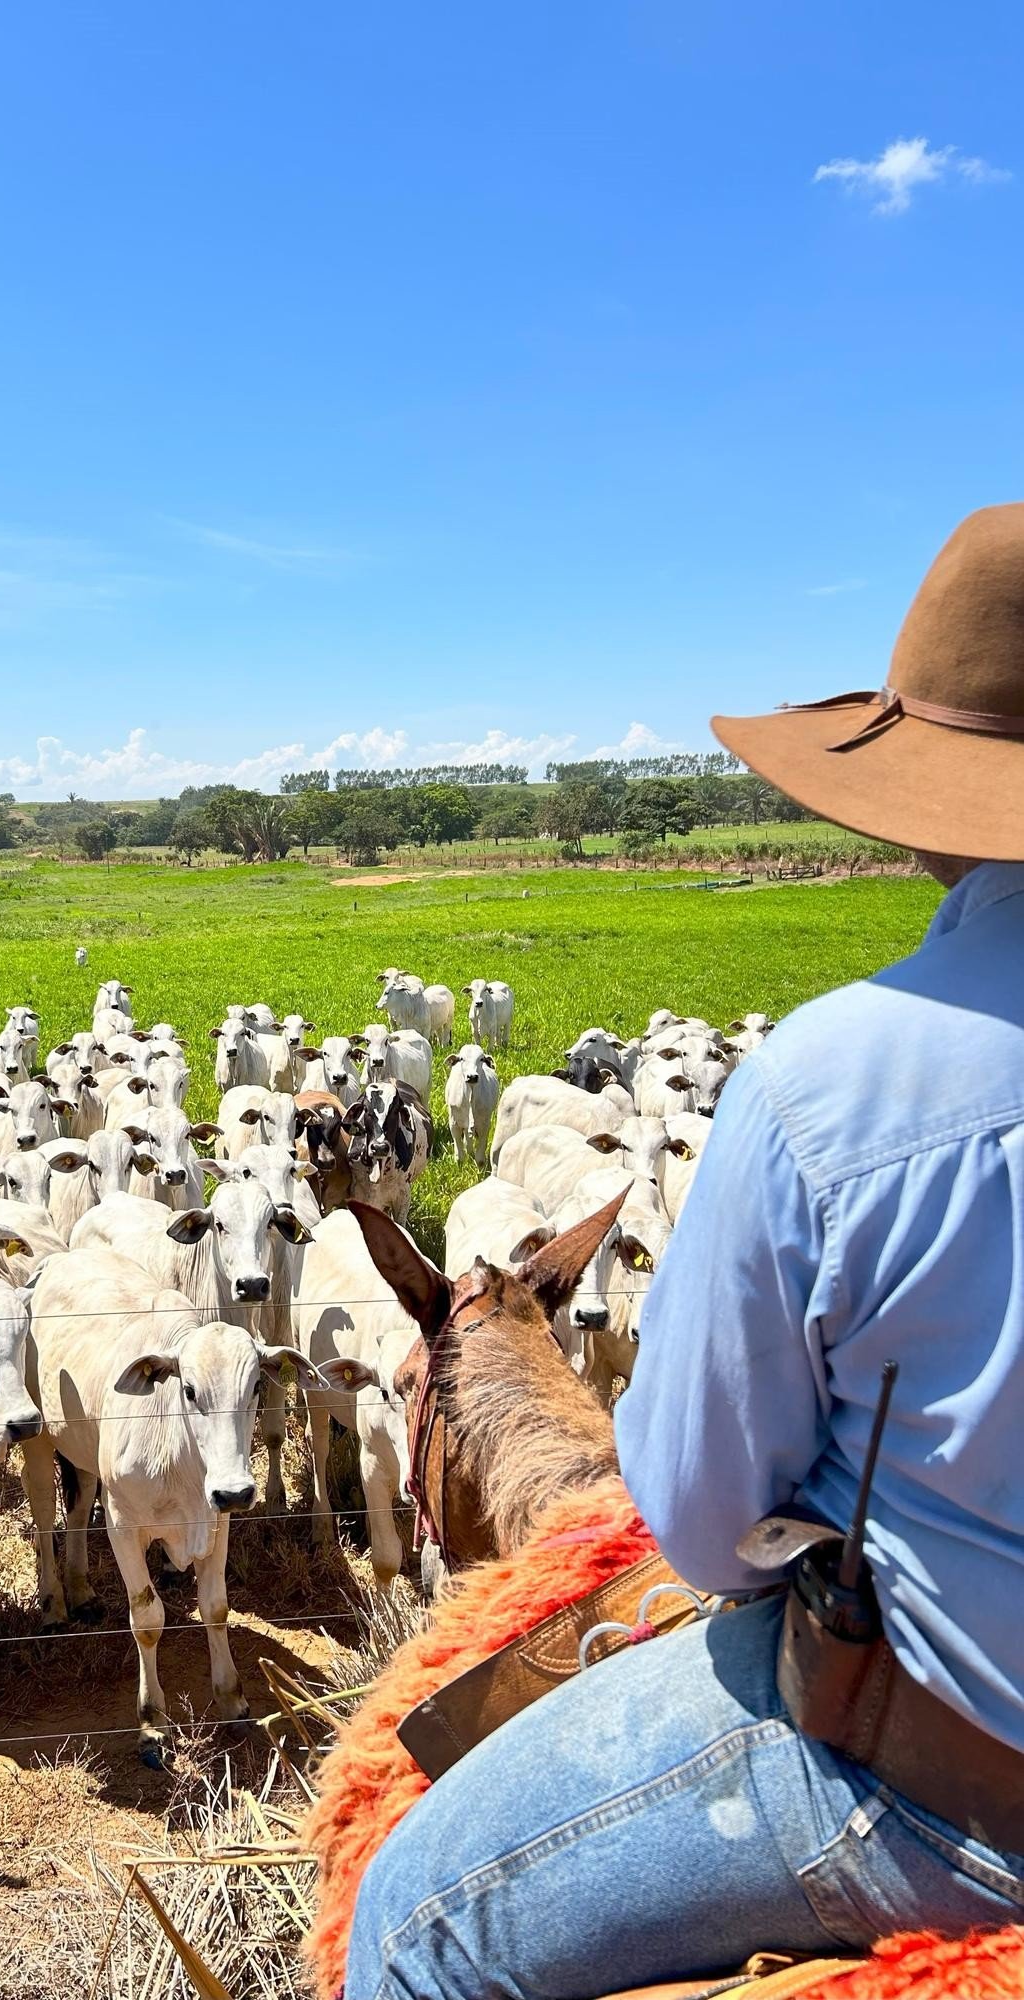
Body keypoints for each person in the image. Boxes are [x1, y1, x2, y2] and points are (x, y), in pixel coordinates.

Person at [346, 504, 1024, 2000]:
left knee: (411, 1927)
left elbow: (705, 1521)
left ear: (924, 783)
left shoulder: (836, 1088)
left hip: (955, 1800)